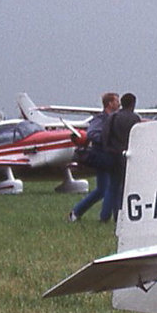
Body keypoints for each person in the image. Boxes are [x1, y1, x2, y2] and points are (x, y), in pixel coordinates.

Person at [68, 92, 119, 222]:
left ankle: (76, 212)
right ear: (110, 103)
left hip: (110, 155)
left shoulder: (115, 118)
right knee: (108, 188)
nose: (119, 104)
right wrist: (107, 139)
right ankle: (105, 217)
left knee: (102, 189)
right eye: (116, 101)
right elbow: (91, 134)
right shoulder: (100, 119)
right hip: (102, 156)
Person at [103, 92, 143, 222]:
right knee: (125, 187)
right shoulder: (135, 119)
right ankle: (122, 215)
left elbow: (105, 136)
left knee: (113, 187)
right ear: (133, 104)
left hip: (113, 155)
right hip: (129, 156)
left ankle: (107, 215)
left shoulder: (113, 117)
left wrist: (108, 149)